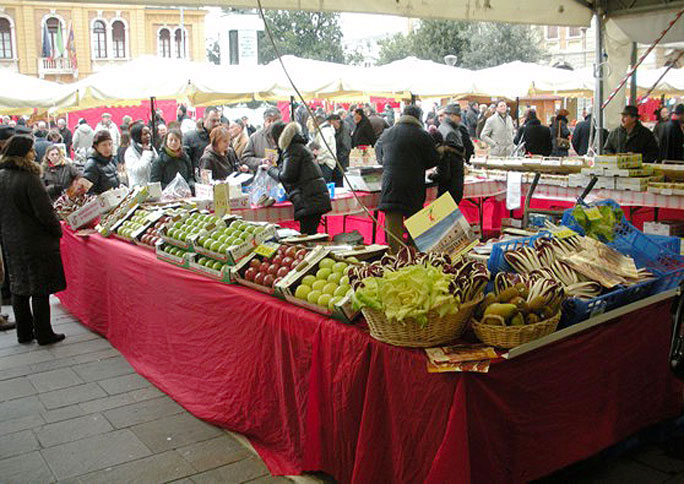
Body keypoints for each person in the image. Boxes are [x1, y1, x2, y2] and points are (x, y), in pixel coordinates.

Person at [0, 135, 66, 345]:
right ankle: (44, 333)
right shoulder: (29, 178)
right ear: (23, 153)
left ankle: (25, 332)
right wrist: (56, 230)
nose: (34, 153)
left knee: (19, 286)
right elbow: (45, 213)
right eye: (31, 150)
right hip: (35, 240)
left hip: (11, 239)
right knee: (40, 288)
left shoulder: (2, 175)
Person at [376, 105, 439, 254]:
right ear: (418, 117)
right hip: (413, 187)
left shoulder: (387, 133)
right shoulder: (423, 135)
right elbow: (433, 159)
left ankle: (394, 264)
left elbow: (379, 157)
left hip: (390, 187)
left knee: (394, 237)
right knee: (416, 233)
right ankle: (415, 260)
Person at [263, 122, 331, 235]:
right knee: (309, 235)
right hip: (313, 199)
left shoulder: (292, 149)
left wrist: (270, 169)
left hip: (309, 201)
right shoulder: (297, 147)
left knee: (308, 237)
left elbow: (287, 176)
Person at [430, 103, 466, 204]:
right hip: (452, 181)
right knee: (447, 213)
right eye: (459, 116)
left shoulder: (446, 128)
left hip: (450, 180)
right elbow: (449, 161)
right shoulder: (450, 131)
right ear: (452, 116)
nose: (460, 119)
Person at [241, 107, 281, 171]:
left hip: (283, 176)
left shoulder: (287, 137)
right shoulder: (255, 137)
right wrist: (261, 161)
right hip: (262, 176)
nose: (272, 124)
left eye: (275, 120)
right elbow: (245, 158)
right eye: (269, 121)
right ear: (264, 122)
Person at [183, 107, 220, 174]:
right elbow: (185, 163)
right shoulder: (190, 137)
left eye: (218, 120)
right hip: (199, 180)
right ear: (204, 119)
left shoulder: (222, 138)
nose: (217, 123)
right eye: (213, 120)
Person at [83, 130, 120, 194]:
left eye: (110, 144)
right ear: (96, 147)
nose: (108, 148)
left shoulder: (111, 160)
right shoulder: (92, 165)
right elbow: (87, 192)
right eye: (104, 145)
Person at [310, 112, 337, 182]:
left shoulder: (325, 132)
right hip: (326, 162)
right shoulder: (324, 130)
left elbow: (324, 148)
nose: (312, 125)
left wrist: (318, 160)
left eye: (313, 122)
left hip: (326, 163)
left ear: (317, 122)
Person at [328, 113, 351, 187]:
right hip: (339, 160)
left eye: (330, 122)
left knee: (340, 182)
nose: (330, 125)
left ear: (335, 121)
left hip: (342, 162)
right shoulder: (337, 129)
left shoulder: (344, 130)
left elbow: (346, 147)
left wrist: (338, 159)